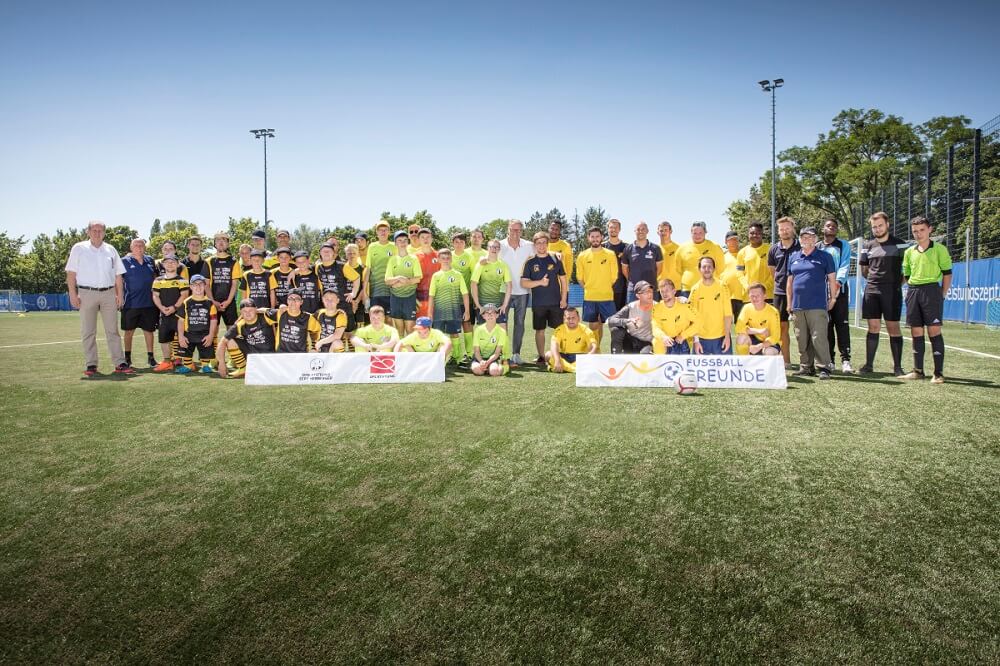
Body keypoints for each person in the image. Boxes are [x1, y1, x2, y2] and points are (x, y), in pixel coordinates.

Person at [65, 221, 132, 376]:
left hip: (109, 293)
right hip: (86, 293)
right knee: (88, 331)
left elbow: (118, 275)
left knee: (112, 331)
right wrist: (72, 294)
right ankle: (91, 365)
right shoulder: (79, 248)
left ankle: (120, 363)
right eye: (94, 230)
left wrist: (120, 294)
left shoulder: (111, 249)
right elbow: (71, 273)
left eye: (100, 230)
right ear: (88, 231)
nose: (97, 233)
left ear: (104, 233)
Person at [900, 216, 952, 384]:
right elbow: (907, 274)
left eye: (922, 230)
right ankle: (918, 371)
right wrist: (914, 289)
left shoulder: (940, 249)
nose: (918, 234)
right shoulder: (909, 252)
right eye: (915, 231)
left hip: (932, 291)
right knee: (916, 331)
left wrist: (942, 294)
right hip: (913, 291)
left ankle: (938, 373)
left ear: (930, 229)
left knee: (934, 331)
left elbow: (947, 273)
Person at [858, 211, 906, 376]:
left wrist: (895, 285)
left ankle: (898, 368)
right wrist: (874, 280)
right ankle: (869, 365)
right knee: (873, 327)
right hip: (871, 290)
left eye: (880, 225)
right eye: (874, 227)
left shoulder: (900, 244)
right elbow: (864, 269)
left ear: (887, 225)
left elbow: (907, 269)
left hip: (892, 291)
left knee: (893, 327)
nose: (877, 229)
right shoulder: (867, 246)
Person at [786, 226, 838, 379]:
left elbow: (832, 279)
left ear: (816, 239)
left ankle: (824, 367)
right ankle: (806, 367)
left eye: (810, 237)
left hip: (817, 304)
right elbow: (789, 283)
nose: (807, 240)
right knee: (801, 337)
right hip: (798, 305)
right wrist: (789, 303)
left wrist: (833, 298)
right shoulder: (793, 257)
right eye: (804, 237)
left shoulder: (825, 257)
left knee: (818, 337)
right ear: (800, 239)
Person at [521, 231, 567, 366]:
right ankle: (541, 356)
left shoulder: (555, 259)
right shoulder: (530, 262)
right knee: (539, 330)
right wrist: (540, 282)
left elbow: (564, 281)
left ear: (547, 244)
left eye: (543, 242)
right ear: (535, 245)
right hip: (539, 303)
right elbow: (524, 283)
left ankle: (561, 354)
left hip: (556, 302)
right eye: (538, 243)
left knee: (558, 330)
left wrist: (563, 299)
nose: (541, 245)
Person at [498, 219, 535, 366]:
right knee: (502, 323)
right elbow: (488, 255)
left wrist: (555, 254)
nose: (515, 232)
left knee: (519, 323)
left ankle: (516, 354)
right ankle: (504, 354)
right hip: (503, 290)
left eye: (518, 230)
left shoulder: (528, 246)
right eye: (513, 229)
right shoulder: (500, 245)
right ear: (508, 229)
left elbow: (541, 250)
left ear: (522, 231)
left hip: (523, 291)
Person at [819, 218, 853, 373]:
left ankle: (846, 360)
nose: (831, 227)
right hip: (821, 292)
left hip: (839, 290)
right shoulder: (817, 247)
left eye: (833, 226)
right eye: (828, 225)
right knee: (827, 325)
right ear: (823, 228)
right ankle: (830, 360)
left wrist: (837, 284)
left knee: (842, 325)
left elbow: (845, 264)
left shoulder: (843, 245)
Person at [575, 226, 618, 349]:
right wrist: (589, 288)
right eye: (592, 236)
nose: (595, 239)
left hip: (607, 297)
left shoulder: (610, 254)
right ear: (588, 238)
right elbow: (580, 278)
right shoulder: (582, 255)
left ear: (602, 238)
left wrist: (603, 287)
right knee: (593, 326)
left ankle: (615, 351)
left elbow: (614, 276)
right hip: (590, 297)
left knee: (612, 326)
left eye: (597, 236)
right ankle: (596, 351)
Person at [120, 237, 158, 368]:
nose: (139, 247)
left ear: (145, 247)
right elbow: (118, 281)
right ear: (131, 248)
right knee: (129, 332)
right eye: (136, 245)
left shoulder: (150, 260)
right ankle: (127, 358)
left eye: (141, 245)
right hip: (130, 303)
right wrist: (118, 296)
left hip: (149, 303)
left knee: (149, 331)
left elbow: (156, 278)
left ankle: (151, 357)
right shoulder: (124, 261)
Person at [767, 216, 801, 365]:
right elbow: (772, 271)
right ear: (778, 231)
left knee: (802, 329)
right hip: (780, 293)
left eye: (787, 228)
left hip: (800, 293)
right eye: (782, 229)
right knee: (782, 327)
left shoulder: (801, 247)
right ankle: (786, 361)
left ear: (793, 229)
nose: (785, 231)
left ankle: (806, 362)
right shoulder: (774, 249)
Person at [216, 300, 277, 379]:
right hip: (253, 356)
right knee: (230, 341)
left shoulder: (265, 316)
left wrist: (265, 309)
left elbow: (284, 312)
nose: (248, 313)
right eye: (244, 311)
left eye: (251, 310)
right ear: (241, 312)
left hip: (270, 356)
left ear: (256, 309)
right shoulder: (239, 324)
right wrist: (221, 363)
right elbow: (222, 342)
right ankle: (243, 368)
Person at [428, 248, 470, 363]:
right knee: (437, 335)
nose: (446, 260)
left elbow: (465, 294)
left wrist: (467, 311)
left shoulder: (458, 275)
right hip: (438, 313)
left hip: (454, 311)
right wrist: (429, 313)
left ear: (451, 259)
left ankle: (456, 358)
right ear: (438, 260)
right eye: (443, 258)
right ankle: (437, 359)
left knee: (454, 334)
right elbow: (431, 296)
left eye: (448, 258)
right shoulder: (436, 276)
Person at [151, 254, 190, 372]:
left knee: (182, 337)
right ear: (163, 264)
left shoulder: (182, 281)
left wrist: (174, 307)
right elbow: (155, 296)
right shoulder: (158, 280)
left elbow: (184, 295)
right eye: (167, 262)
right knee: (164, 338)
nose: (170, 264)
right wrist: (162, 308)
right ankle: (167, 362)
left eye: (173, 262)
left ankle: (184, 361)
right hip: (164, 314)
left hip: (179, 315)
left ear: (178, 264)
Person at [688, 256, 733, 354]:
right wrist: (696, 341)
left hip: (721, 338)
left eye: (709, 267)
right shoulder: (695, 289)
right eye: (704, 267)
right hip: (701, 340)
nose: (707, 269)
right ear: (699, 269)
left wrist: (727, 337)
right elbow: (692, 318)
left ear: (714, 269)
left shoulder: (723, 286)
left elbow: (728, 314)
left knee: (725, 369)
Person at [174, 274, 218, 374]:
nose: (198, 287)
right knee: (186, 349)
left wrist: (211, 335)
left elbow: (214, 320)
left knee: (206, 350)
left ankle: (205, 366)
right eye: (195, 284)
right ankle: (188, 366)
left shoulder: (210, 303)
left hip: (205, 334)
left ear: (205, 286)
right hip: (188, 334)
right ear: (191, 287)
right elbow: (180, 321)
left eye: (201, 284)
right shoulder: (186, 302)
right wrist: (181, 336)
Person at [384, 230, 422, 335]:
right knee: (398, 329)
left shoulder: (414, 259)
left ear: (408, 242)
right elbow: (387, 280)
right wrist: (399, 278)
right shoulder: (392, 260)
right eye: (399, 240)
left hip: (409, 297)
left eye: (405, 240)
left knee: (410, 328)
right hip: (395, 298)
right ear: (395, 243)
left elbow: (418, 278)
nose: (402, 242)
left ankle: (410, 351)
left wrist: (404, 282)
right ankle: (400, 351)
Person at [470, 238, 512, 334]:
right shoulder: (481, 264)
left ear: (499, 249)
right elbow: (473, 284)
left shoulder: (503, 265)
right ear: (488, 248)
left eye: (497, 247)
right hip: (483, 304)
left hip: (497, 304)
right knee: (483, 334)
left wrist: (504, 305)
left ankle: (502, 350)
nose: (494, 249)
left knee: (502, 332)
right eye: (492, 247)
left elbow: (509, 285)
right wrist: (478, 305)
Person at [205, 231, 242, 333]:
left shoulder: (234, 261)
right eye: (218, 240)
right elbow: (206, 284)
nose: (221, 242)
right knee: (212, 330)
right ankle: (215, 350)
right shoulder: (208, 261)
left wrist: (228, 301)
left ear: (228, 243)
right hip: (213, 302)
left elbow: (235, 284)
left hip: (229, 302)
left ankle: (231, 349)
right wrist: (213, 301)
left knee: (232, 331)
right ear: (215, 243)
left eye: (224, 239)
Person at [650, 278, 699, 355]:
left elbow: (699, 322)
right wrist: (663, 337)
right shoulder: (656, 308)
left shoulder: (684, 306)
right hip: (665, 342)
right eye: (662, 291)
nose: (664, 294)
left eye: (667, 290)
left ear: (674, 291)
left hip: (681, 342)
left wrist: (684, 335)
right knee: (656, 341)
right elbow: (654, 327)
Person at [675, 221, 724, 296]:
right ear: (691, 233)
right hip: (687, 290)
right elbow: (678, 270)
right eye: (695, 233)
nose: (697, 235)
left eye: (700, 233)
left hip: (709, 288)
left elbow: (721, 269)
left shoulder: (715, 247)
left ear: (705, 232)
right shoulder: (682, 248)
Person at [450, 232, 479, 358]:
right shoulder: (448, 256)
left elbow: (474, 278)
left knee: (467, 324)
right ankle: (456, 355)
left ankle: (470, 353)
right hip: (451, 298)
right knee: (453, 327)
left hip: (466, 298)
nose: (459, 244)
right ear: (453, 243)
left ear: (465, 243)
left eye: (461, 242)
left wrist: (473, 296)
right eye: (456, 242)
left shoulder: (469, 257)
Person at [363, 221, 397, 325]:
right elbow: (368, 269)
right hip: (375, 291)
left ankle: (390, 341)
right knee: (376, 320)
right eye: (380, 230)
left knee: (389, 320)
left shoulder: (394, 246)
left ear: (389, 232)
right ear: (376, 233)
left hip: (391, 290)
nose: (383, 232)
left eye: (385, 230)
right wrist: (364, 292)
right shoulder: (372, 247)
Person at [608, 280, 655, 354]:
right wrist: (628, 321)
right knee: (616, 330)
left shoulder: (658, 307)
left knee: (644, 358)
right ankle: (616, 359)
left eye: (650, 291)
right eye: (645, 292)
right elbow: (611, 321)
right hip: (631, 340)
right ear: (638, 295)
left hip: (648, 342)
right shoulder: (631, 307)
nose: (649, 294)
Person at [735, 283, 781, 356]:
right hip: (754, 339)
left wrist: (759, 346)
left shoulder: (773, 311)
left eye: (758, 295)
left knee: (769, 352)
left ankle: (769, 365)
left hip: (769, 342)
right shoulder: (746, 308)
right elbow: (738, 328)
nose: (755, 298)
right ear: (749, 297)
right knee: (741, 338)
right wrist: (758, 331)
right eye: (752, 296)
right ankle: (744, 363)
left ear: (765, 296)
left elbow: (775, 337)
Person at [546, 307, 596, 373]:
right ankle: (575, 369)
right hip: (564, 356)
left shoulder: (586, 330)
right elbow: (554, 346)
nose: (571, 320)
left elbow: (593, 346)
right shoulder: (559, 329)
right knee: (548, 355)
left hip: (580, 357)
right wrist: (557, 360)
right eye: (568, 318)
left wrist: (590, 354)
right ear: (564, 319)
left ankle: (561, 368)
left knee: (593, 357)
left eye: (573, 318)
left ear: (578, 318)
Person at [621, 221, 663, 300]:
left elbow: (659, 269)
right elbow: (624, 269)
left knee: (652, 312)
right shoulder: (628, 249)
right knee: (633, 312)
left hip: (651, 288)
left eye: (643, 229)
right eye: (638, 229)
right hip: (633, 290)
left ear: (647, 231)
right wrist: (632, 280)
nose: (640, 231)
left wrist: (651, 278)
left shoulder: (655, 248)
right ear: (635, 231)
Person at [737, 222, 773, 302]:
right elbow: (739, 274)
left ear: (762, 234)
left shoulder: (771, 250)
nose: (754, 235)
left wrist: (764, 287)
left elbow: (775, 272)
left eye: (757, 233)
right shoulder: (742, 252)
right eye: (752, 233)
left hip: (767, 296)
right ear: (748, 234)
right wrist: (748, 287)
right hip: (749, 296)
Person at [471, 303, 509, 376]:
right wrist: (481, 361)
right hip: (479, 358)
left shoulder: (502, 331)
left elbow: (497, 353)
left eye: (493, 312)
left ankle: (502, 367)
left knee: (494, 372)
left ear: (497, 315)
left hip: (493, 358)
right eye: (487, 313)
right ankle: (487, 368)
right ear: (483, 316)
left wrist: (488, 362)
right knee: (478, 370)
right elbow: (476, 351)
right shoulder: (478, 330)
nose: (490, 315)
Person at [414, 227, 440, 317]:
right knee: (423, 328)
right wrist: (413, 298)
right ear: (418, 240)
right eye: (423, 237)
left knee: (437, 328)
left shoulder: (439, 256)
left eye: (428, 237)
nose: (425, 239)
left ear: (432, 239)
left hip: (437, 297)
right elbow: (410, 279)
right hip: (420, 298)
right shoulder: (413, 257)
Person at [721, 230, 748, 319]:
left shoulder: (744, 255)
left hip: (742, 296)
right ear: (726, 242)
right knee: (725, 325)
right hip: (726, 296)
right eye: (730, 240)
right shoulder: (722, 257)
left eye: (735, 240)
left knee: (741, 324)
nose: (733, 242)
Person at [604, 218, 629, 311]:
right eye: (611, 227)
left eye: (616, 227)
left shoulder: (626, 247)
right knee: (602, 319)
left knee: (620, 317)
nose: (613, 229)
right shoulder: (602, 247)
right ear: (607, 229)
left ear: (619, 229)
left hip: (621, 288)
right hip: (604, 288)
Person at [315, 288, 348, 352]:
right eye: (327, 299)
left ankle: (330, 361)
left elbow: (337, 335)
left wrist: (321, 342)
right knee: (311, 351)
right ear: (323, 300)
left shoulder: (340, 315)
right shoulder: (319, 312)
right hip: (320, 347)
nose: (329, 301)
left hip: (333, 348)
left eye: (332, 299)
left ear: (338, 300)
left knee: (338, 343)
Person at [343, 242, 365, 329]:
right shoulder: (342, 268)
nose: (351, 255)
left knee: (360, 327)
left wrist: (356, 301)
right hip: (346, 301)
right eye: (349, 253)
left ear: (358, 254)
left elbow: (364, 287)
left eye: (354, 253)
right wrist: (351, 301)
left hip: (359, 300)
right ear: (346, 255)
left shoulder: (363, 269)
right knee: (347, 326)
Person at [656, 221, 682, 290]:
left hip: (676, 287)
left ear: (671, 231)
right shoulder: (655, 249)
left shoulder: (679, 248)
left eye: (666, 230)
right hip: (660, 288)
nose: (663, 233)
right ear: (658, 232)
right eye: (661, 231)